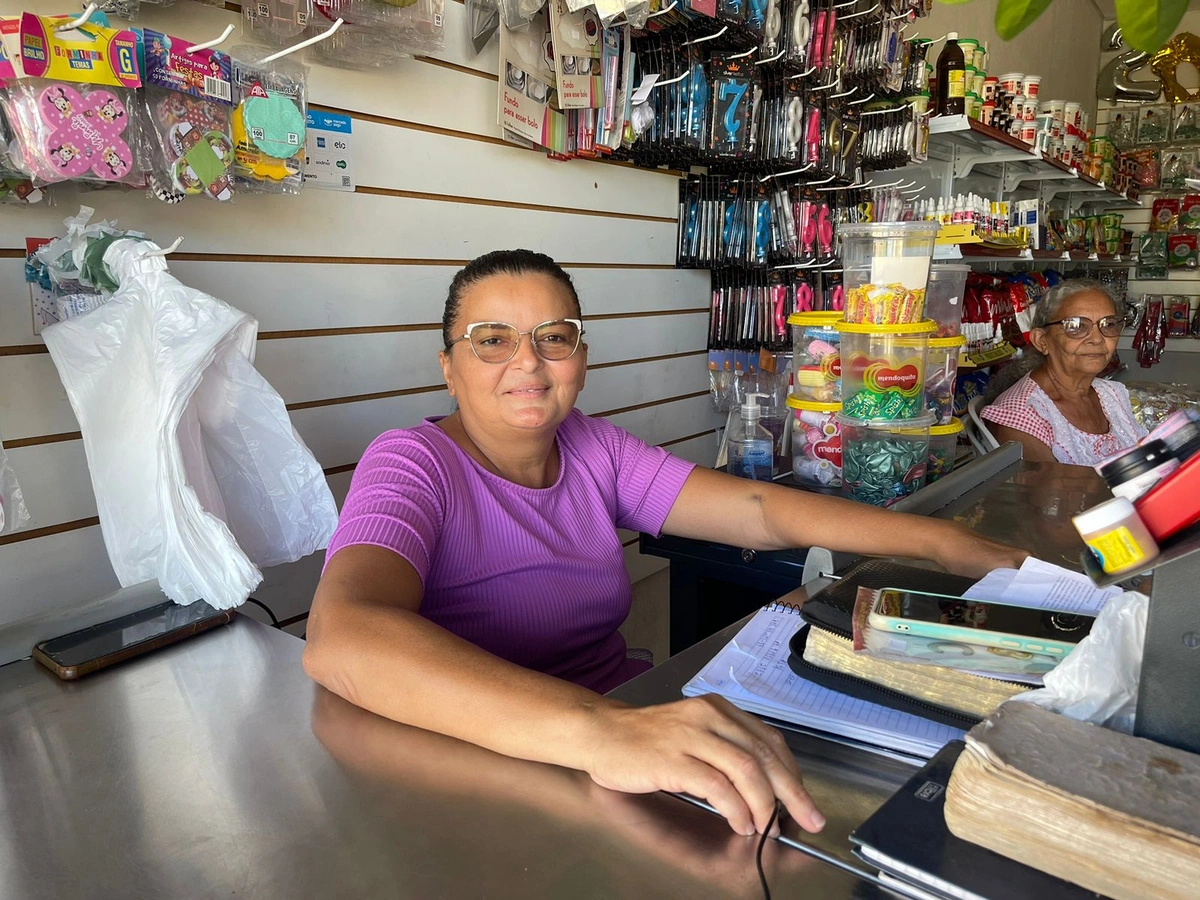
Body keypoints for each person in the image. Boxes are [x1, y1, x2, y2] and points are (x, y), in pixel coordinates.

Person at [304, 249, 1028, 841]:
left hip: (626, 739)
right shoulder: (409, 462)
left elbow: (756, 511)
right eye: (492, 340)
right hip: (495, 771)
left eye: (553, 337)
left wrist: (939, 542)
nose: (527, 363)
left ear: (579, 356)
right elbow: (344, 637)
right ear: (447, 367)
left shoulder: (591, 446)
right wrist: (603, 731)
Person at [982, 279, 1146, 466]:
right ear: (1042, 340)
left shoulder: (1111, 394)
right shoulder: (1021, 416)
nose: (1097, 339)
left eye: (1108, 324)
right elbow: (1054, 494)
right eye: (1076, 326)